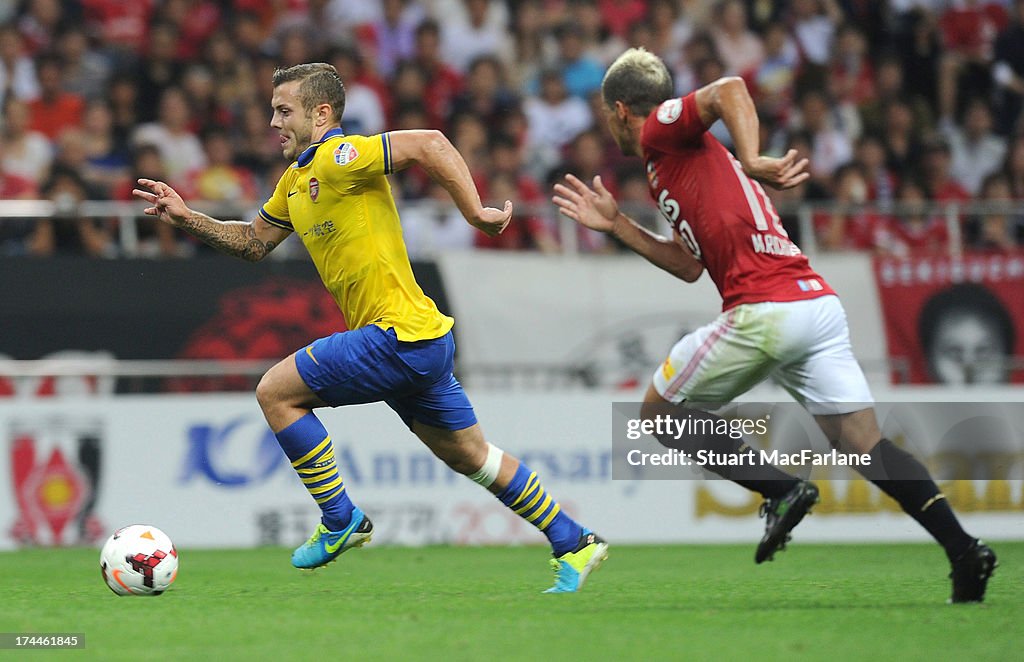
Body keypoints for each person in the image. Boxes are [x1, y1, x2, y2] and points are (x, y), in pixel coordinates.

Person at [133, 62, 607, 593]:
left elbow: (429, 142)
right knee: (471, 456)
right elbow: (252, 243)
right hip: (420, 341)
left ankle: (341, 520)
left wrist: (474, 213)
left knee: (276, 393)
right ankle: (574, 540)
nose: (272, 122)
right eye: (272, 110)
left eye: (283, 110)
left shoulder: (342, 155)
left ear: (321, 113)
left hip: (397, 335)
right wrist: (186, 217)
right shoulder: (294, 182)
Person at [552, 47, 996, 603]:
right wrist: (618, 224)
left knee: (657, 414)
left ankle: (781, 492)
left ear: (619, 110)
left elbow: (728, 88)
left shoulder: (661, 130)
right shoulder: (677, 163)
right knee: (864, 443)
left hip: (766, 309)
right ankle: (964, 551)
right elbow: (691, 267)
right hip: (815, 307)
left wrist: (754, 156)